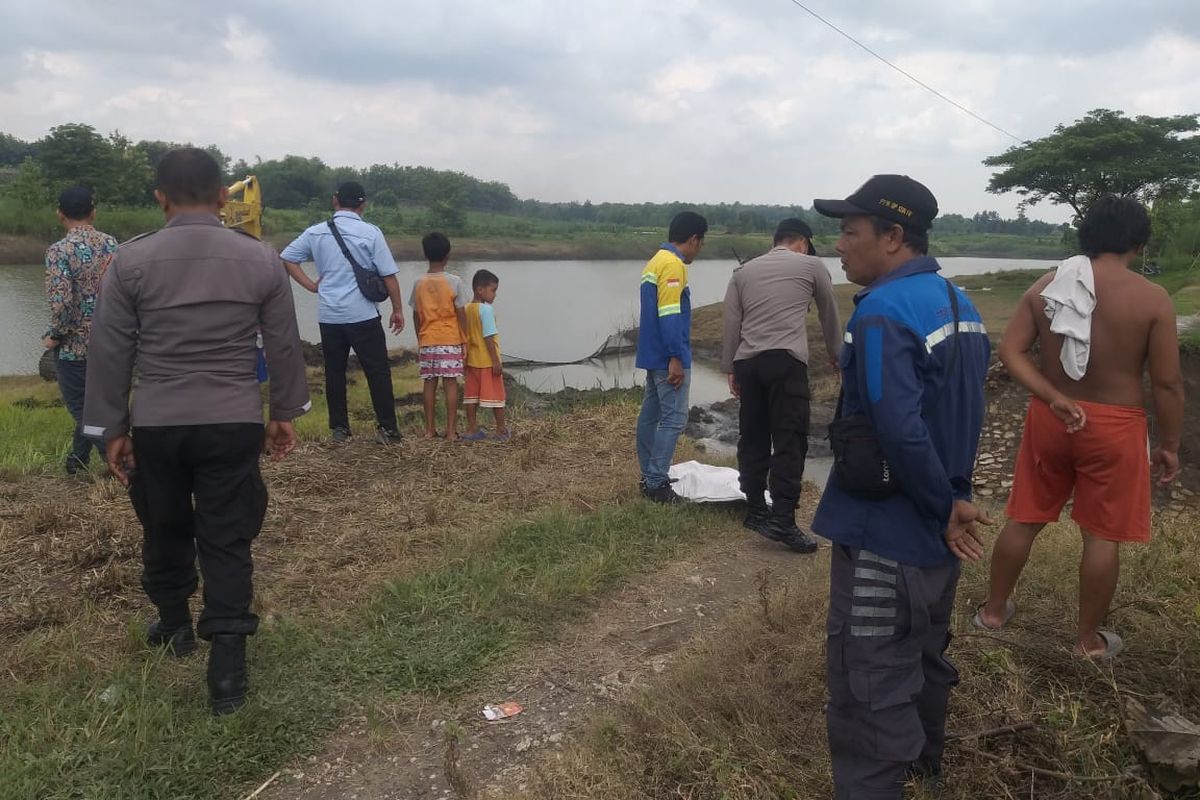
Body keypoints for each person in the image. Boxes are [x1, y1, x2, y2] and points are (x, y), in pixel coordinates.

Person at [82, 148, 310, 715]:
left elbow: (110, 350)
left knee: (164, 521)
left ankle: (174, 623)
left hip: (158, 420)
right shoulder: (261, 259)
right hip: (233, 420)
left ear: (159, 198)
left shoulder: (130, 263)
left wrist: (109, 427)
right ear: (222, 198)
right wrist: (284, 410)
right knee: (226, 535)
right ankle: (227, 673)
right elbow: (282, 344)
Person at [810, 175, 992, 798]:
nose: (838, 244)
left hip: (889, 530)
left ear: (892, 237)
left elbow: (898, 426)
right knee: (923, 654)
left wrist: (942, 506)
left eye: (850, 231)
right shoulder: (958, 303)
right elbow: (960, 412)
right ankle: (923, 764)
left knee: (869, 675)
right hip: (940, 532)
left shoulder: (885, 311)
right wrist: (953, 504)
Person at [977, 195, 1184, 659]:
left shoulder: (1048, 286)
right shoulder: (1152, 298)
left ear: (1086, 235)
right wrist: (1169, 444)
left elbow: (1010, 352)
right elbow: (1168, 384)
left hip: (1052, 416)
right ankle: (1086, 641)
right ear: (1138, 241)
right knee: (1101, 535)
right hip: (1116, 426)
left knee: (1025, 517)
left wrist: (1052, 395)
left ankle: (992, 613)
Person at [721, 217, 841, 553]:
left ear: (776, 240)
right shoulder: (812, 265)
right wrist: (837, 354)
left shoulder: (742, 273)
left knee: (753, 434)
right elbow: (828, 312)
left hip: (748, 362)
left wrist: (731, 368)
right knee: (790, 439)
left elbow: (732, 322)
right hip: (785, 363)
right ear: (802, 242)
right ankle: (783, 519)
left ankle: (756, 509)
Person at [281, 181, 404, 444]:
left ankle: (340, 429)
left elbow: (288, 258)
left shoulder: (316, 232)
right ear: (363, 204)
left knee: (334, 372)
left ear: (335, 200)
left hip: (330, 316)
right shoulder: (371, 232)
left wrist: (311, 286)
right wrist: (397, 309)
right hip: (363, 315)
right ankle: (387, 429)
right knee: (378, 371)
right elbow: (389, 275)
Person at [42, 186, 118, 474]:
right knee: (98, 405)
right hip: (111, 342)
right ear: (93, 211)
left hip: (75, 349)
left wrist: (54, 335)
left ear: (60, 213)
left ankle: (122, 464)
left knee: (84, 411)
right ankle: (77, 461)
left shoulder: (59, 251)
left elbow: (62, 304)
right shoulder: (112, 245)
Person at [636, 211, 708, 504]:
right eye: (700, 244)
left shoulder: (655, 261)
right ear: (693, 239)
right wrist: (676, 357)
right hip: (668, 356)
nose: (698, 250)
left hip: (652, 354)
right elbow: (669, 314)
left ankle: (649, 474)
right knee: (674, 417)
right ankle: (656, 482)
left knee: (651, 414)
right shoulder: (673, 265)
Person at [411, 232, 469, 440]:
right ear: (447, 256)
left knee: (429, 383)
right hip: (450, 339)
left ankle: (429, 430)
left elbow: (416, 315)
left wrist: (420, 338)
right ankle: (451, 431)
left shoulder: (419, 283)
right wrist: (465, 339)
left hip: (428, 339)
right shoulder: (455, 282)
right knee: (450, 383)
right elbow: (461, 314)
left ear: (425, 255)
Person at [461, 269, 509, 442]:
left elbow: (464, 335)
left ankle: (472, 429)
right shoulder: (486, 310)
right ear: (480, 290)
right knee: (497, 397)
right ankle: (501, 429)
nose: (495, 294)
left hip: (472, 361)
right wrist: (496, 360)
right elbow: (488, 336)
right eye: (493, 290)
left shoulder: (466, 308)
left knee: (471, 397)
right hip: (487, 361)